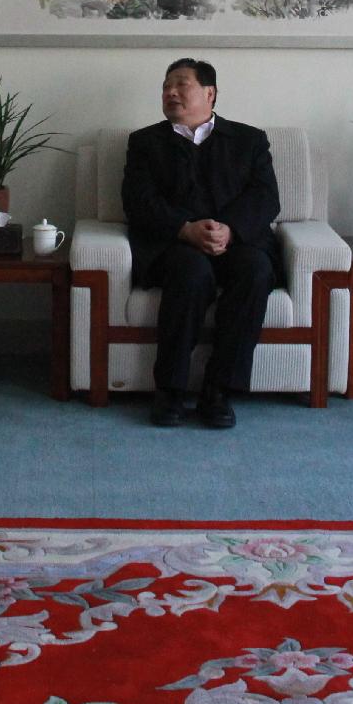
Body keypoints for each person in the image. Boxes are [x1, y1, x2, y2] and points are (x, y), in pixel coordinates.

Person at [121, 58, 281, 429]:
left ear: (210, 93)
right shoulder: (145, 143)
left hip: (237, 242)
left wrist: (230, 229)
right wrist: (185, 229)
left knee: (256, 270)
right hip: (175, 244)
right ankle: (170, 390)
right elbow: (138, 201)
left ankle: (219, 390)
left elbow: (266, 197)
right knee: (190, 272)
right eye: (166, 86)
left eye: (181, 84)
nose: (170, 92)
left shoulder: (249, 140)